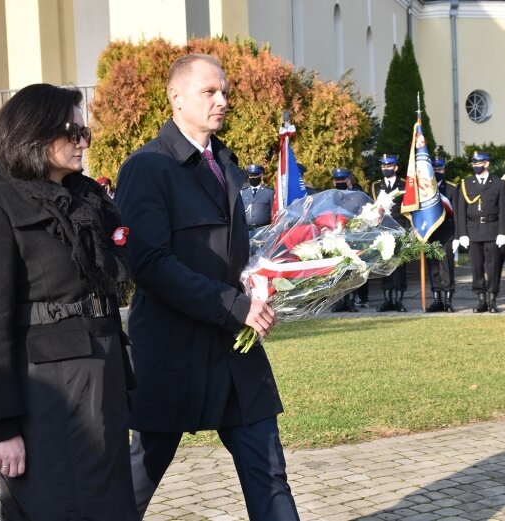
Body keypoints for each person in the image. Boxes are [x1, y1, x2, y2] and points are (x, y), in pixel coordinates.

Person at [116, 53, 300, 521]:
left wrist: (269, 277)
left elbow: (231, 252)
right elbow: (150, 264)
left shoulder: (224, 161)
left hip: (234, 354)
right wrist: (235, 305)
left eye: (224, 92)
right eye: (209, 92)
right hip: (172, 351)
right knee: (139, 474)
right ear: (176, 98)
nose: (222, 101)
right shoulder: (147, 167)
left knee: (269, 472)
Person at [0, 83, 137, 520]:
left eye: (83, 130)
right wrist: (3, 425)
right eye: (71, 131)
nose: (81, 141)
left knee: (110, 506)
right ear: (34, 134)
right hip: (48, 393)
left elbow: (119, 275)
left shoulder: (88, 199)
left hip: (103, 374)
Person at [455, 151, 505, 313]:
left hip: (492, 230)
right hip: (473, 231)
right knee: (477, 267)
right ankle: (481, 299)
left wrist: (502, 232)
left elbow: (503, 210)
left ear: (487, 164)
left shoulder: (498, 183)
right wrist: (462, 234)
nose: (475, 166)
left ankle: (492, 298)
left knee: (493, 267)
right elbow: (460, 211)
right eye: (473, 163)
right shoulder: (466, 183)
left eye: (479, 163)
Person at [372, 154, 409, 312]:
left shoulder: (404, 185)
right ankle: (387, 299)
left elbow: (409, 210)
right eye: (383, 166)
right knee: (385, 263)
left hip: (400, 227)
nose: (385, 169)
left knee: (400, 265)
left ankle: (399, 300)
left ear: (395, 168)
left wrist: (409, 231)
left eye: (388, 166)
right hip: (383, 229)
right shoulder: (376, 186)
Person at [329, 167, 368, 311]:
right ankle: (340, 301)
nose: (340, 182)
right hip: (336, 239)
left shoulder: (358, 195)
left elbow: (364, 217)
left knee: (352, 271)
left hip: (353, 238)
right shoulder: (331, 197)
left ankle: (351, 300)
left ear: (349, 180)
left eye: (342, 179)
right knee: (339, 271)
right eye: (337, 180)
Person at [425, 157, 457, 312]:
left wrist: (457, 236)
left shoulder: (451, 189)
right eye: (435, 170)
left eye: (440, 169)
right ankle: (437, 299)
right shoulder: (424, 191)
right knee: (433, 268)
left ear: (444, 170)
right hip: (430, 234)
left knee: (447, 268)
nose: (438, 172)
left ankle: (448, 300)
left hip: (447, 234)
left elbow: (456, 214)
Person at [240, 164, 274, 229]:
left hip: (264, 230)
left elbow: (274, 212)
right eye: (250, 175)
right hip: (246, 230)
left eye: (255, 175)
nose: (253, 178)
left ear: (261, 176)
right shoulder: (242, 192)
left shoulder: (269, 193)